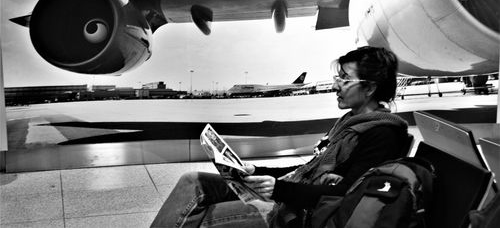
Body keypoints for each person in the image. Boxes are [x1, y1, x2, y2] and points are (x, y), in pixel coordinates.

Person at [151, 46, 409, 228]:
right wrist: (255, 169)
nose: (335, 85)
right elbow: (307, 169)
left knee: (198, 217)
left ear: (370, 87)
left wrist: (279, 190)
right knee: (192, 181)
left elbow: (347, 195)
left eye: (344, 78)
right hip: (296, 195)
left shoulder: (382, 134)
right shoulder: (351, 124)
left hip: (305, 214)